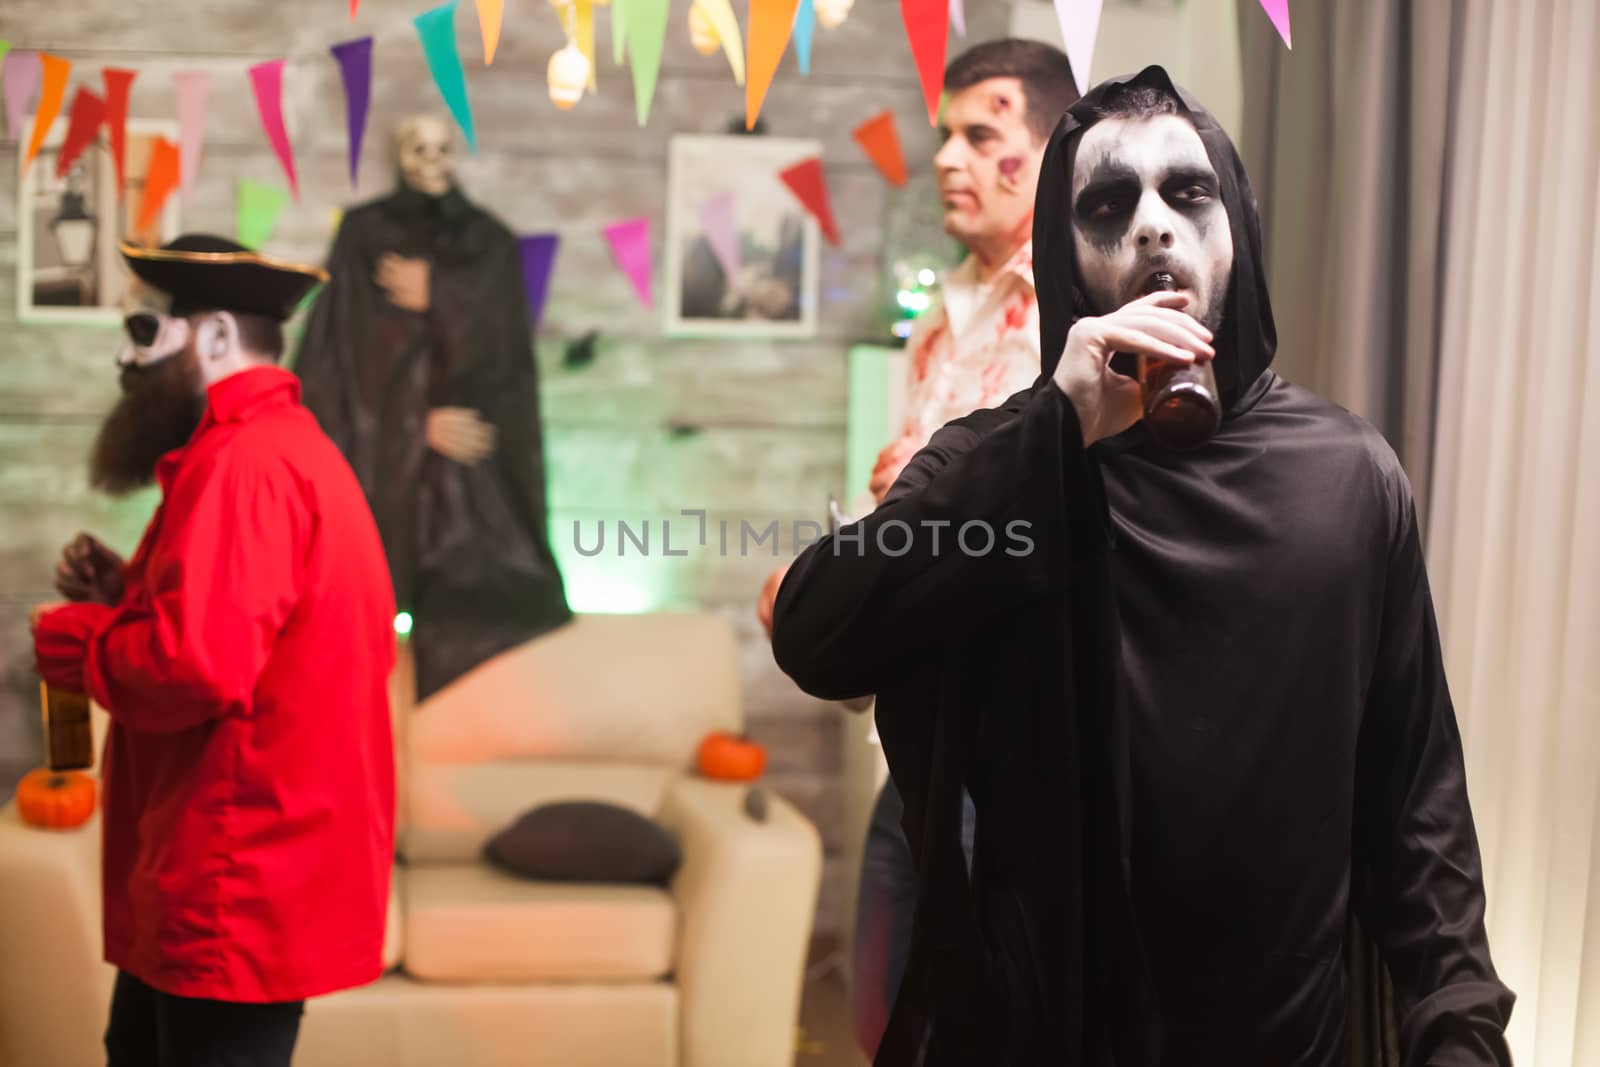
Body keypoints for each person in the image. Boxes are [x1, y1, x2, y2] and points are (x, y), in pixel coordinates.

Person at [771, 67, 1513, 1066]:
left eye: (1186, 192)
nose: (1153, 225)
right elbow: (820, 632)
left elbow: (1413, 797)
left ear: (1236, 230)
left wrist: (1457, 1023)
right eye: (1108, 204)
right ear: (1068, 262)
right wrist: (1052, 427)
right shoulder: (1009, 460)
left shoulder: (1347, 474)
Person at [756, 37, 1081, 1058]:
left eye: (981, 135)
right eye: (945, 134)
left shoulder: (1078, 326)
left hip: (1017, 745)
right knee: (878, 1019)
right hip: (916, 738)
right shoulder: (936, 326)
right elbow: (907, 519)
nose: (947, 157)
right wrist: (834, 588)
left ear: (1049, 155)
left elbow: (1040, 530)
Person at [31, 235, 398, 1067]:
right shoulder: (271, 449)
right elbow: (245, 630)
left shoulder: (246, 465)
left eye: (144, 329)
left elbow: (197, 663)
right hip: (212, 872)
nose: (127, 356)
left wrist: (73, 638)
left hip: (230, 879)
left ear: (219, 337)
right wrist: (125, 594)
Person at [294, 113, 571, 703]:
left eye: (441, 148)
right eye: (418, 148)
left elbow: (505, 365)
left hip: (464, 505)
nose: (431, 160)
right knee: (354, 605)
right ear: (401, 153)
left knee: (486, 598)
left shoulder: (488, 243)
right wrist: (409, 426)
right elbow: (335, 365)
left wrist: (443, 295)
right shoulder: (365, 237)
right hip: (383, 484)